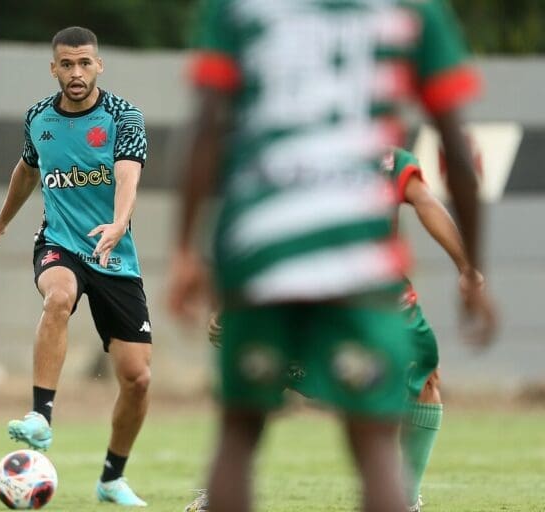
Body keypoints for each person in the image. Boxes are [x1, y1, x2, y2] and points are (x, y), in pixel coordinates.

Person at [168, 2, 496, 512]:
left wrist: (186, 251)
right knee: (375, 442)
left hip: (261, 259)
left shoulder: (238, 9)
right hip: (357, 269)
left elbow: (207, 127)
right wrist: (473, 267)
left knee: (240, 429)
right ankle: (406, 498)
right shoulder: (409, 12)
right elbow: (455, 147)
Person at [183, 146, 486, 512]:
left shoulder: (382, 155)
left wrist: (466, 265)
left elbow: (423, 200)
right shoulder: (299, 152)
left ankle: (406, 500)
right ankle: (220, 496)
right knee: (257, 386)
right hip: (312, 295)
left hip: (366, 296)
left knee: (424, 380)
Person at [0, 26, 151, 507]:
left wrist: (119, 223)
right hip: (59, 244)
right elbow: (27, 170)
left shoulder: (124, 116)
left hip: (112, 253)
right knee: (59, 296)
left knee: (137, 379)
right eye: (66, 64)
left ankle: (111, 479)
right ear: (53, 69)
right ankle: (40, 416)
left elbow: (128, 176)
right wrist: (1, 224)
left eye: (84, 63)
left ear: (99, 65)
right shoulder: (38, 118)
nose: (76, 72)